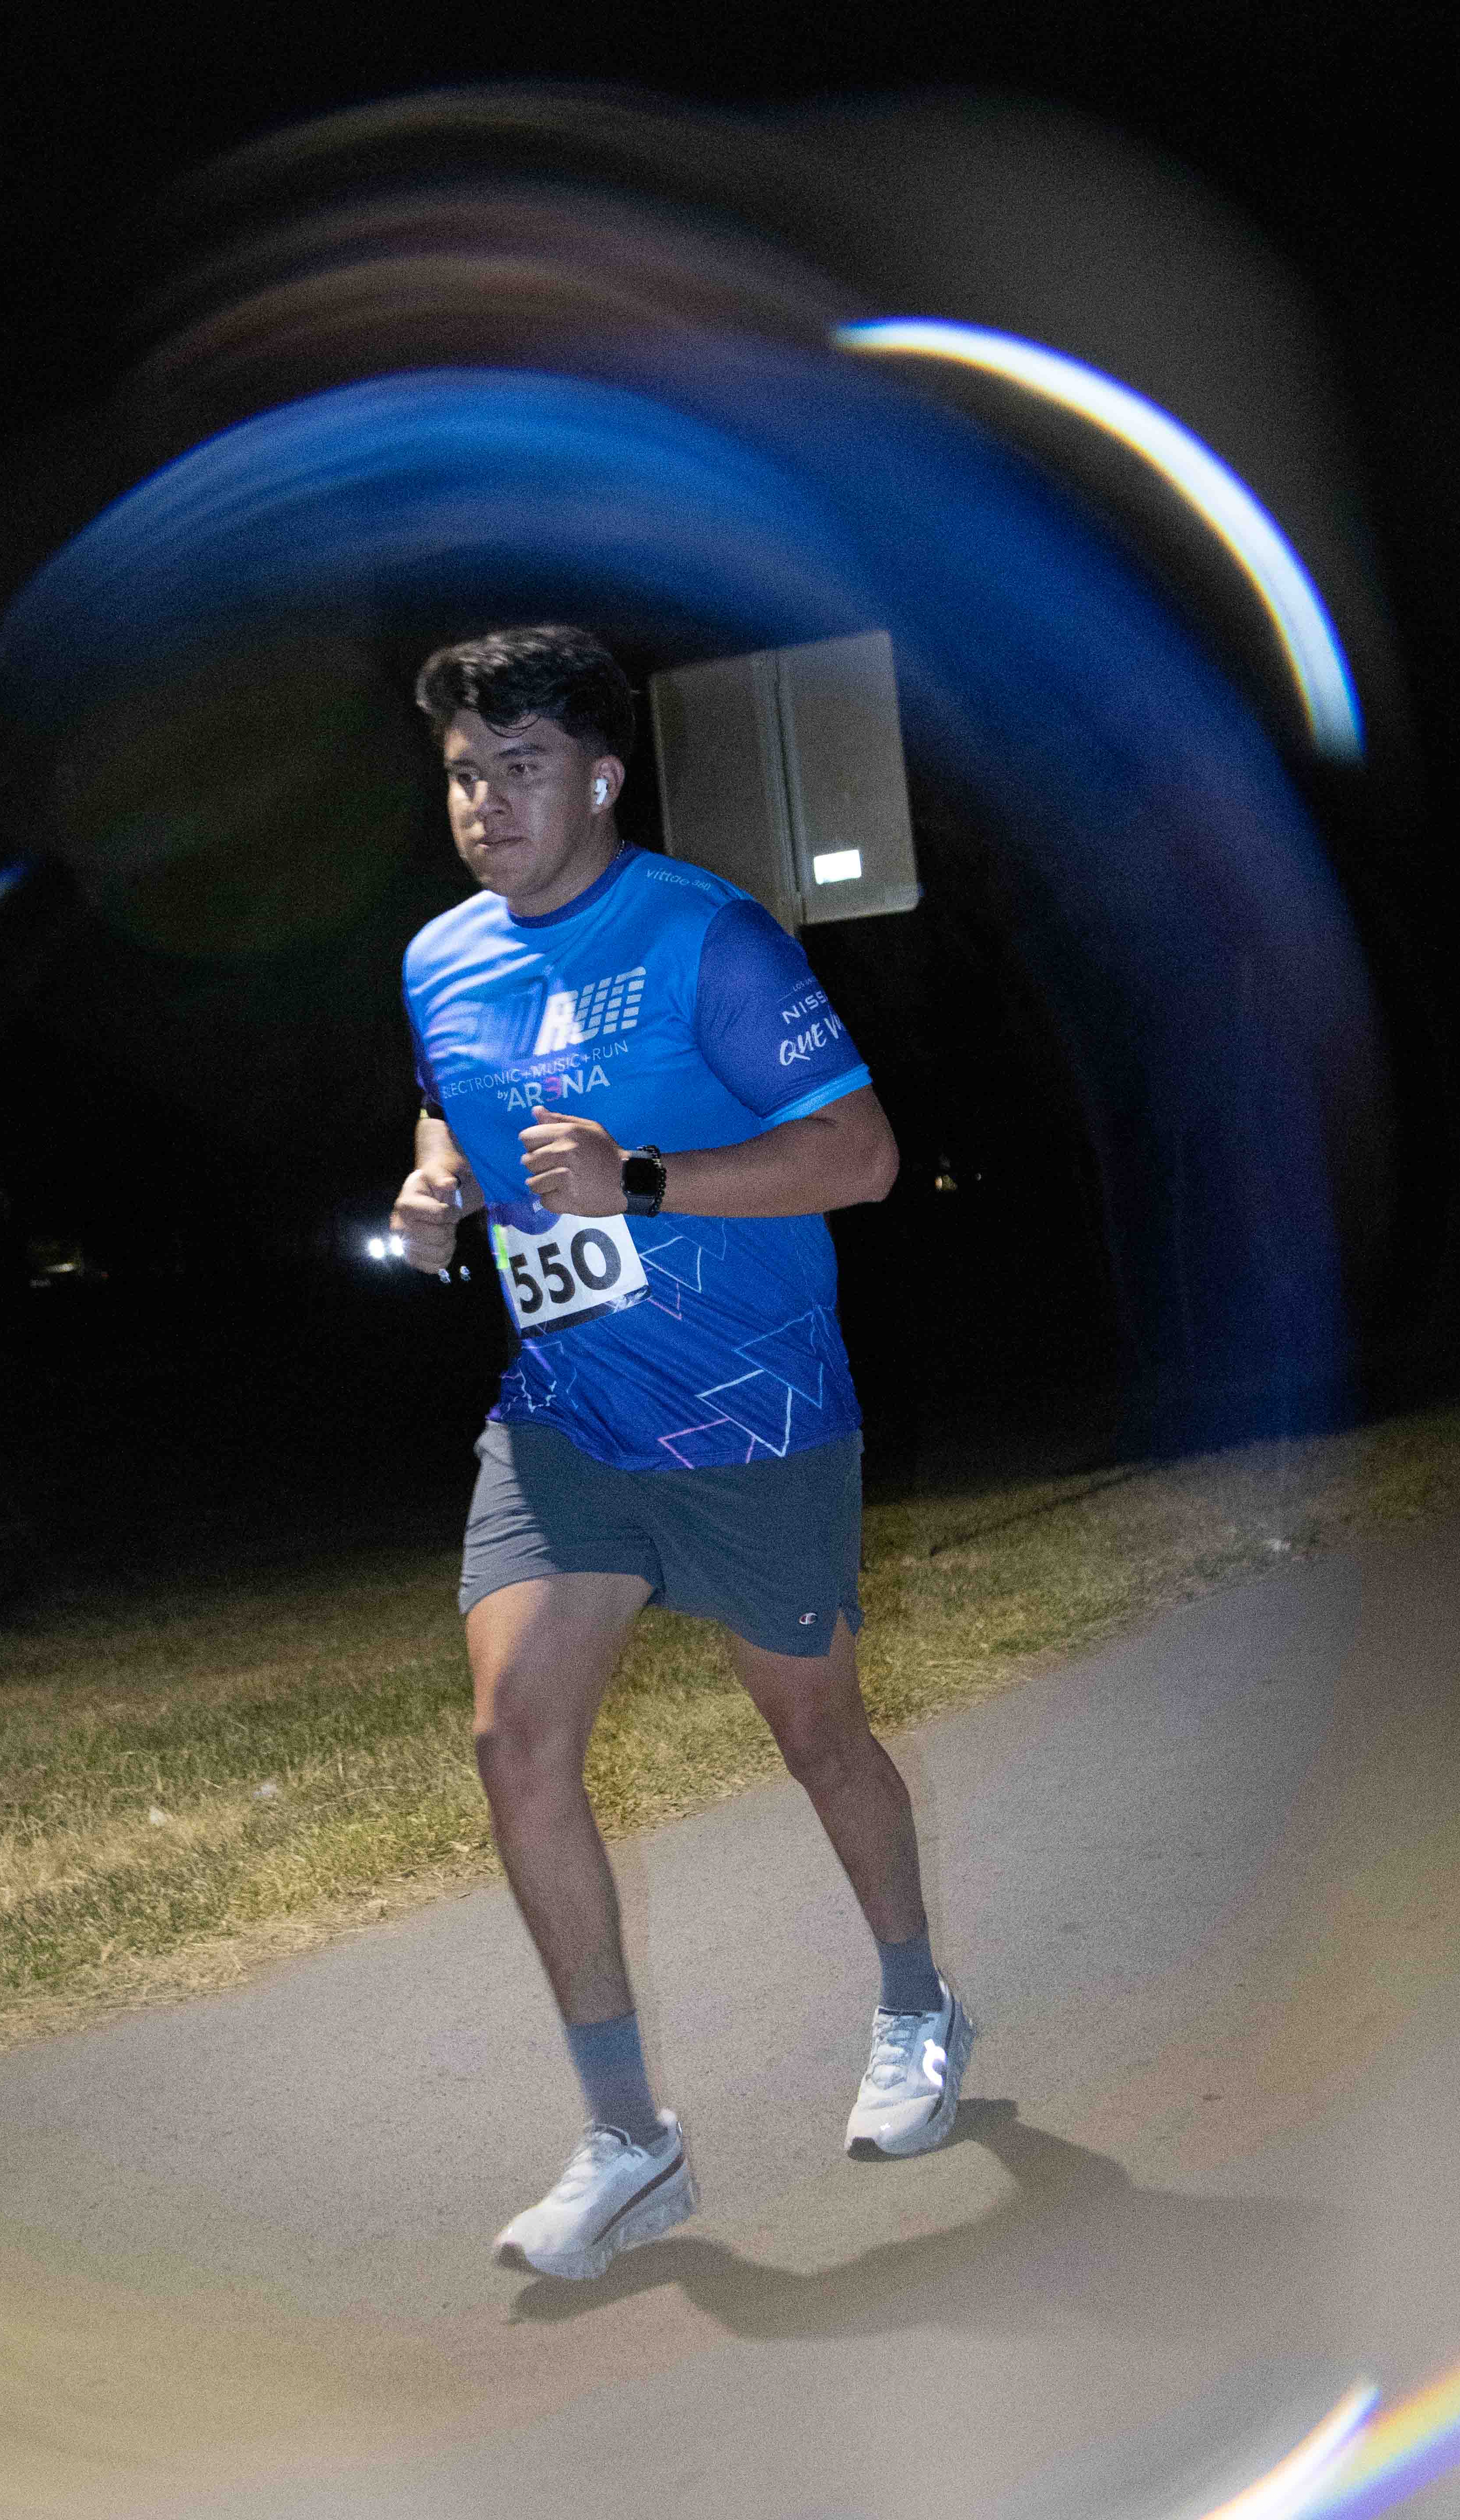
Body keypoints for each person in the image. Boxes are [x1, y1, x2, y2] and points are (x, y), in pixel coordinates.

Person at [393, 623, 973, 2281]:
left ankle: (917, 2005)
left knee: (820, 1741)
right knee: (515, 1742)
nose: (486, 804)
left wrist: (642, 1181)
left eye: (519, 769)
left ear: (600, 778)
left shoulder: (707, 937)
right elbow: (450, 1099)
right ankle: (627, 2140)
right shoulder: (439, 958)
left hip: (751, 1415)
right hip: (567, 1415)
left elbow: (862, 1156)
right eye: (463, 776)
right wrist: (436, 1184)